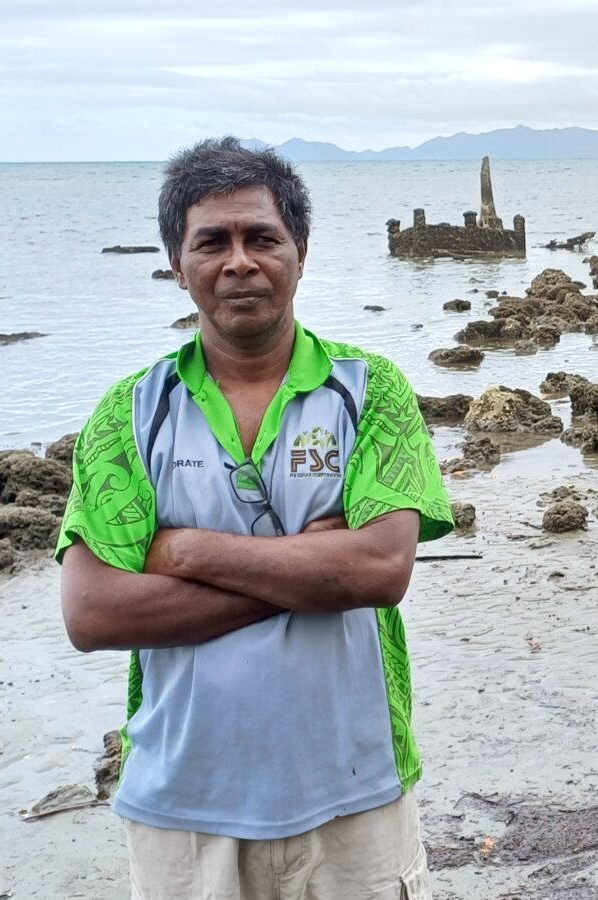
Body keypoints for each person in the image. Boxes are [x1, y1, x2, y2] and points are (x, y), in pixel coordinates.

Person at [57, 136, 453, 900]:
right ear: (178, 264)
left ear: (300, 251)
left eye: (261, 237)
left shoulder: (370, 393)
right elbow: (94, 613)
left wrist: (188, 551)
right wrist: (307, 572)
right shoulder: (129, 414)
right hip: (183, 808)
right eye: (212, 242)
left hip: (354, 793)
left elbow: (378, 570)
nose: (240, 261)